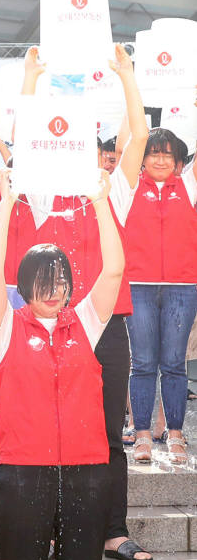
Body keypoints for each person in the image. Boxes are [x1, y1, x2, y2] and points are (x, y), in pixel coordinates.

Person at [0, 168, 124, 560]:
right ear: (27, 285)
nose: (55, 289)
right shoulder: (6, 327)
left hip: (86, 474)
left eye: (61, 280)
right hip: (24, 476)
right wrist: (6, 202)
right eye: (44, 281)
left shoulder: (84, 322)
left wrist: (102, 202)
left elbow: (112, 272)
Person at [123, 128, 197, 464]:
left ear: (179, 161)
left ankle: (177, 435)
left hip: (183, 286)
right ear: (143, 158)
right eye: (154, 152)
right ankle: (141, 436)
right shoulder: (128, 187)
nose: (161, 159)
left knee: (174, 364)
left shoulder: (189, 187)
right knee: (142, 364)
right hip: (137, 286)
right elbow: (130, 138)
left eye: (168, 154)